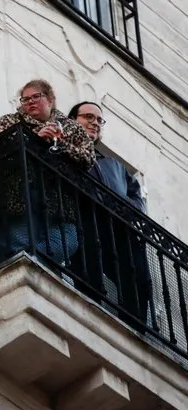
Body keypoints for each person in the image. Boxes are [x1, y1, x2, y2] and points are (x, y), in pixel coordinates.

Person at [0, 79, 96, 266]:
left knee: (67, 241)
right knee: (20, 239)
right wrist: (35, 138)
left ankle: (31, 264)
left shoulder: (70, 127)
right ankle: (28, 268)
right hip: (17, 195)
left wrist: (61, 144)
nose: (30, 102)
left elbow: (88, 158)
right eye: (25, 99)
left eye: (36, 96)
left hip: (59, 202)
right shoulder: (11, 120)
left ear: (50, 100)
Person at [67, 102, 152, 325]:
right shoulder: (65, 148)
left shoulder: (113, 164)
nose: (95, 123)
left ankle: (135, 330)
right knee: (88, 270)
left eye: (98, 120)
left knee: (139, 278)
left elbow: (136, 199)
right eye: (88, 117)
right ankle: (90, 319)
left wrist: (122, 205)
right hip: (85, 219)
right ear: (73, 120)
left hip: (120, 227)